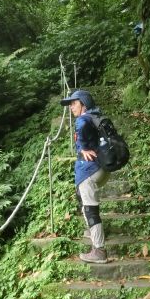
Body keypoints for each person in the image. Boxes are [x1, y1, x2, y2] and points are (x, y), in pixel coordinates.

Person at [60, 89, 110, 264]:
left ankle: (99, 251)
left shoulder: (83, 119)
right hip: (101, 169)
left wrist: (82, 146)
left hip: (90, 171)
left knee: (90, 209)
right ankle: (93, 229)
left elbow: (81, 126)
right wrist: (82, 148)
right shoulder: (95, 115)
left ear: (83, 104)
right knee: (81, 198)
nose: (71, 107)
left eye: (74, 103)